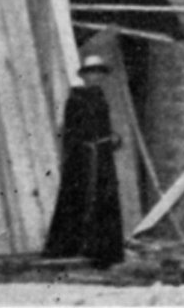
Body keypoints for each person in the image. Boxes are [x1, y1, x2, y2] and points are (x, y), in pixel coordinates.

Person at [42, 54, 124, 269]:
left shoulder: (101, 97)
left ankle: (101, 251)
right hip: (84, 158)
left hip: (102, 157)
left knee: (103, 200)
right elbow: (71, 132)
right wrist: (83, 149)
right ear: (85, 76)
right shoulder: (76, 100)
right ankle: (72, 247)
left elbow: (102, 128)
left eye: (99, 73)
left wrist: (112, 138)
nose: (96, 77)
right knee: (78, 199)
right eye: (92, 73)